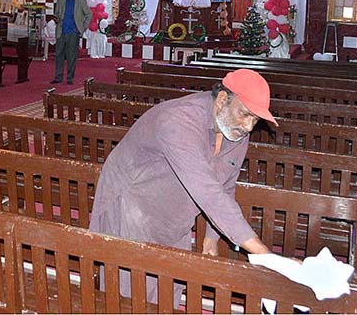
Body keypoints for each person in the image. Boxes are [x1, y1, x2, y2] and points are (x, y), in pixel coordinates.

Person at [90, 69, 297, 304]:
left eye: (255, 120)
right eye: (245, 114)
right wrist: (267, 257)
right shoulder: (179, 120)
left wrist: (211, 237)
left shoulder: (235, 129)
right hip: (131, 207)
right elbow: (207, 191)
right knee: (128, 295)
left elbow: (225, 186)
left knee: (167, 291)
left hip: (174, 213)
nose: (249, 126)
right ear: (222, 100)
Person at [52, 0, 92, 85]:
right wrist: (56, 19)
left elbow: (89, 15)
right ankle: (58, 77)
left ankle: (70, 78)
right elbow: (56, 14)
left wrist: (82, 28)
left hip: (73, 33)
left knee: (71, 56)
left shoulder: (81, 1)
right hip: (61, 31)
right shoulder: (60, 1)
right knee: (59, 55)